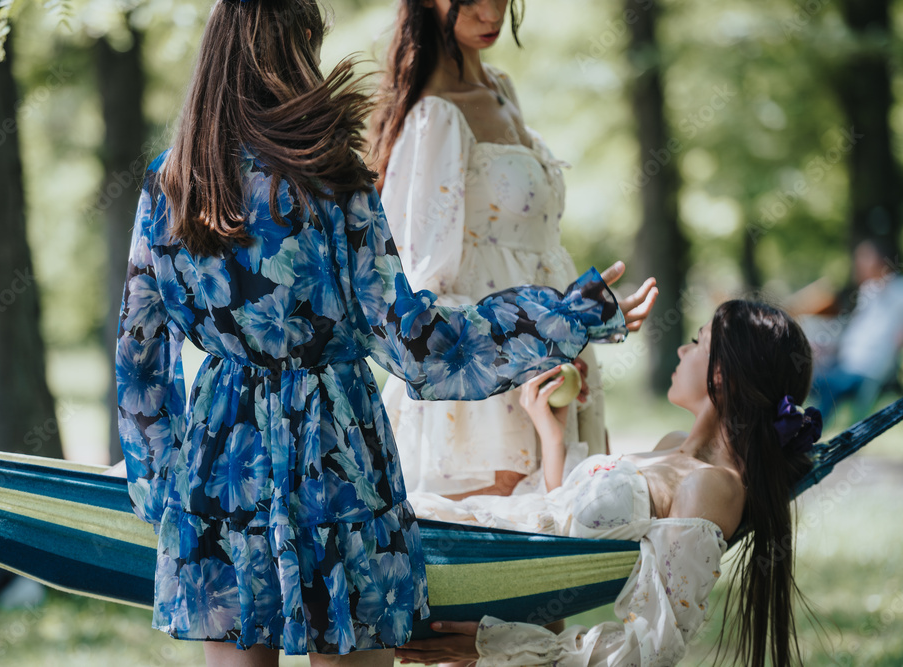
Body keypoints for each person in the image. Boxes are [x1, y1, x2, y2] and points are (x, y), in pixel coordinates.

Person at [114, 2, 651, 665]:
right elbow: (419, 349)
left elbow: (141, 355)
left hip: (222, 461)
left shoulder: (173, 181)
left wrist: (160, 486)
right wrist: (567, 317)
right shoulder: (332, 176)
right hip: (337, 452)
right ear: (299, 50)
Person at [395, 301, 821, 667]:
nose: (682, 348)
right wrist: (553, 439)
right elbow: (566, 540)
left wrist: (506, 647)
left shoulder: (711, 488)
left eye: (698, 341)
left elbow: (652, 649)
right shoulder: (672, 448)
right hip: (462, 534)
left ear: (722, 375)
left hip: (464, 558)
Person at [369, 0, 658, 499]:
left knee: (572, 537)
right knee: (512, 551)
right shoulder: (435, 113)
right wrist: (537, 338)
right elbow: (418, 288)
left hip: (556, 352)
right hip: (489, 385)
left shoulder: (502, 87)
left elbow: (533, 248)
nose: (490, 13)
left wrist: (576, 319)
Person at [808, 238, 903, 421]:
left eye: (863, 258)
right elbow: (856, 334)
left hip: (867, 370)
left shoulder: (899, 291)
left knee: (828, 385)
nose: (858, 264)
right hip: (844, 364)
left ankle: (808, 435)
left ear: (880, 260)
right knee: (797, 374)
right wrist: (828, 347)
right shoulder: (868, 290)